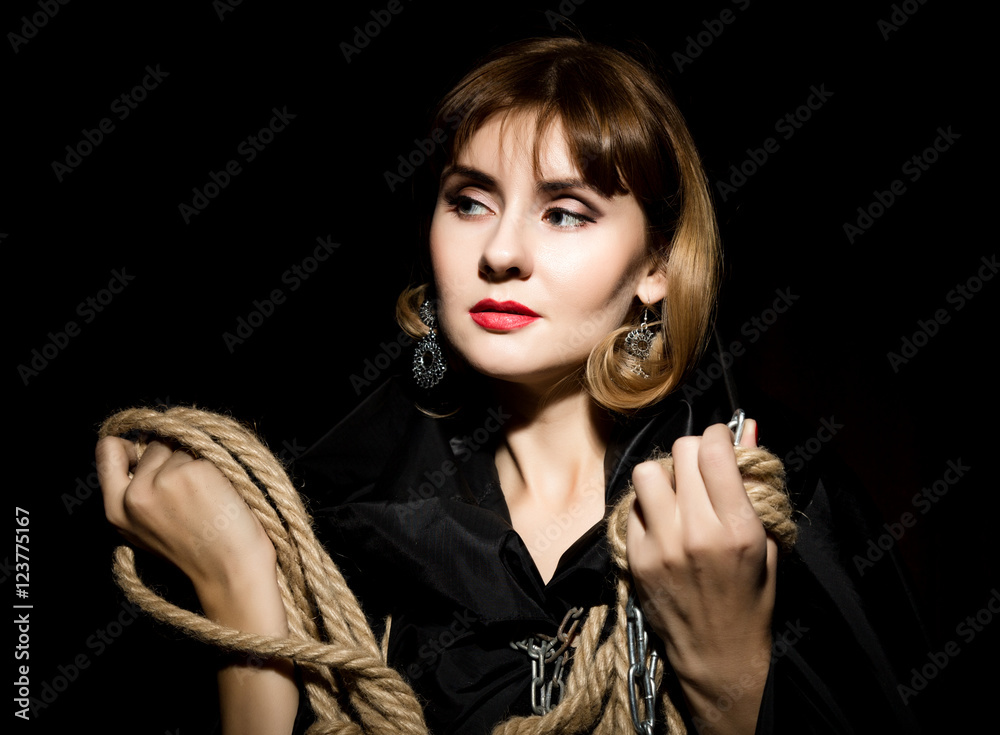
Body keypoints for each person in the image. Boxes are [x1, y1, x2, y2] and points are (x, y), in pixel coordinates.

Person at [97, 36, 924, 734]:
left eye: (565, 211)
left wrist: (730, 680)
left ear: (656, 268)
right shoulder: (330, 517)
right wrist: (243, 591)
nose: (501, 252)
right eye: (469, 201)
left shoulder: (777, 500)